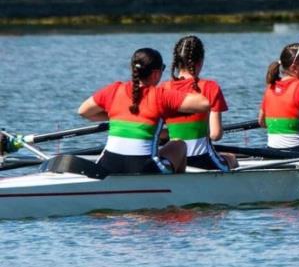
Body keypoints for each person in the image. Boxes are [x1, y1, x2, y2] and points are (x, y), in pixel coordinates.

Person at [78, 48, 210, 174]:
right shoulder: (161, 95)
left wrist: (116, 116)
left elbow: (84, 111)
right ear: (156, 74)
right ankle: (178, 187)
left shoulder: (113, 89)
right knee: (179, 144)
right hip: (144, 169)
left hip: (107, 166)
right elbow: (204, 104)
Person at [161, 35, 237, 171]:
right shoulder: (210, 87)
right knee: (232, 158)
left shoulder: (162, 89)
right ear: (200, 61)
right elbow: (216, 134)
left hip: (173, 159)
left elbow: (157, 132)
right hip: (201, 160)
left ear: (176, 62)